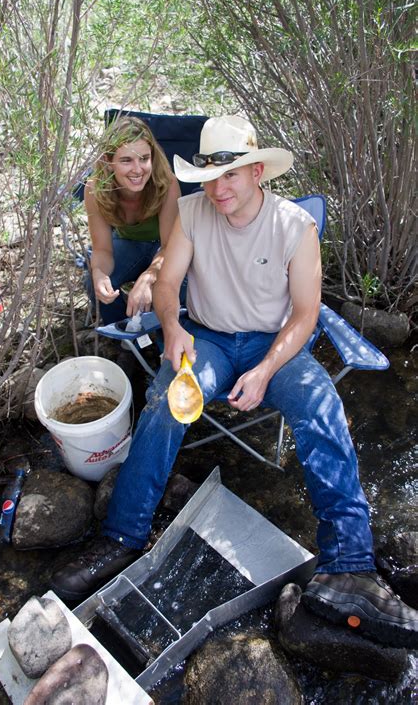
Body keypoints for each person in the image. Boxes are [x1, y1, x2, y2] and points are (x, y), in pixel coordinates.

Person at [52, 116, 418, 648]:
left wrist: (267, 368)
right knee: (163, 402)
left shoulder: (295, 226)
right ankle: (122, 536)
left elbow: (305, 314)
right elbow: (169, 282)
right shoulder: (194, 213)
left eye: (232, 175)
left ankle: (349, 564)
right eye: (209, 174)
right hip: (210, 342)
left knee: (323, 408)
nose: (218, 188)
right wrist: (174, 326)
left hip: (275, 347)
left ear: (257, 172)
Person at [84, 115, 180, 324]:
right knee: (94, 283)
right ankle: (126, 335)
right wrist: (98, 273)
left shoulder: (166, 183)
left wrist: (150, 275)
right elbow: (102, 250)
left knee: (175, 285)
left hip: (163, 247)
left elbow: (170, 247)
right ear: (109, 162)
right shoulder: (95, 189)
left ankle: (163, 334)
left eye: (144, 159)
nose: (137, 169)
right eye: (126, 160)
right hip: (129, 244)